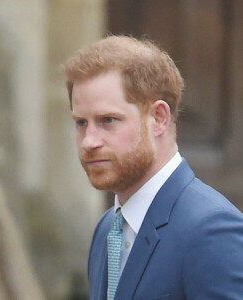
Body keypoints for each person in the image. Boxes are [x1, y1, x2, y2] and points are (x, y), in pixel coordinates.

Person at [63, 35, 243, 300]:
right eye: (81, 123)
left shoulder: (211, 230)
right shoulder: (107, 230)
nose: (89, 141)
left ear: (158, 118)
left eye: (108, 120)